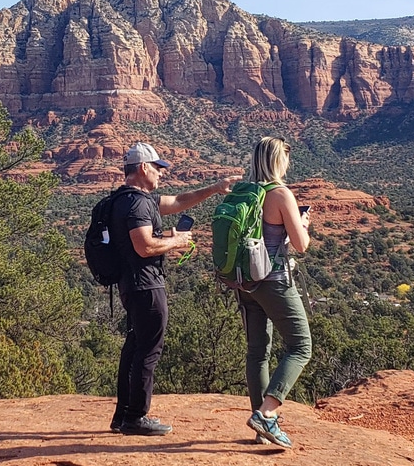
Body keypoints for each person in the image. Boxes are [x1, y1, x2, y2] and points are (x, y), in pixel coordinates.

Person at [109, 142, 241, 436]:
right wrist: (177, 242)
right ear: (143, 168)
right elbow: (144, 246)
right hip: (146, 284)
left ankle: (122, 416)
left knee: (133, 347)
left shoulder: (127, 199)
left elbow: (178, 201)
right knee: (149, 350)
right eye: (158, 168)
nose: (161, 174)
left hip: (131, 284)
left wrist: (214, 188)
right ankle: (136, 417)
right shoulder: (137, 204)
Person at [238, 136, 312, 449]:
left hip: (244, 282)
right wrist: (304, 222)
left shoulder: (245, 191)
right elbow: (301, 245)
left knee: (258, 352)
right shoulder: (281, 194)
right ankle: (267, 414)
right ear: (277, 161)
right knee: (301, 346)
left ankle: (261, 430)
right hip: (274, 280)